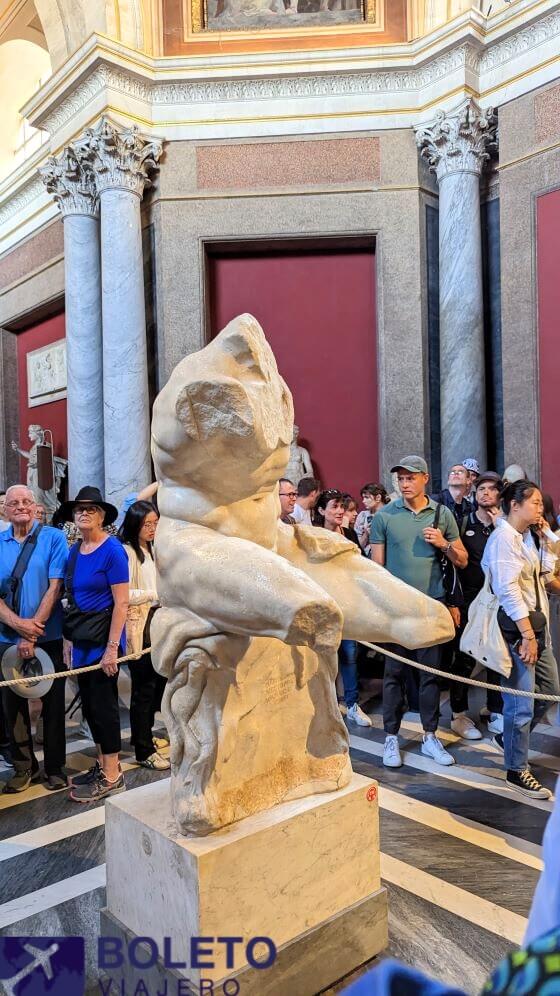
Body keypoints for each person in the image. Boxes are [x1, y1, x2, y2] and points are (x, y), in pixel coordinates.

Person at [370, 456, 468, 768]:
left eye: (410, 478)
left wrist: (443, 544)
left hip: (431, 607)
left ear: (425, 478)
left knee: (430, 677)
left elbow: (462, 560)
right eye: (400, 479)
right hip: (397, 610)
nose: (404, 484)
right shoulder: (385, 515)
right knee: (393, 675)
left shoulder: (442, 514)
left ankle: (429, 735)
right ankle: (390, 737)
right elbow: (376, 568)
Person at [482, 480, 560, 798]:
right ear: (515, 505)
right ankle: (516, 770)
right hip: (520, 632)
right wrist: (528, 635)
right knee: (520, 704)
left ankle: (512, 739)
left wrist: (548, 541)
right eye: (535, 502)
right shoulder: (504, 538)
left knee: (551, 691)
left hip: (538, 630)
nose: (540, 508)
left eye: (541, 503)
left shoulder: (526, 536)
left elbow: (544, 576)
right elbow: (508, 591)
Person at [58, 486, 130, 803]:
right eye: (79, 509)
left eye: (90, 509)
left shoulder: (112, 550)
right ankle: (102, 765)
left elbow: (122, 603)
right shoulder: (75, 551)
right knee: (88, 707)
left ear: (101, 515)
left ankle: (113, 775)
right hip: (81, 639)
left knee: (104, 707)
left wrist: (113, 647)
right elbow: (71, 600)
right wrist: (67, 640)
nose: (84, 513)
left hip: (103, 640)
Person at [0, 485, 68, 792]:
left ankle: (55, 767)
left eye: (26, 501)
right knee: (11, 706)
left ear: (37, 507)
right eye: (13, 503)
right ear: (4, 510)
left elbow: (56, 586)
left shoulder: (53, 537)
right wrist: (18, 627)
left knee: (53, 704)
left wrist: (33, 629)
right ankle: (23, 766)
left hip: (48, 635)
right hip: (6, 639)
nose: (20, 506)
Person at [450, 472, 504, 740]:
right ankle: (458, 714)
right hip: (470, 599)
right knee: (464, 656)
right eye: (481, 488)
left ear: (500, 496)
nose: (485, 493)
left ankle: (494, 710)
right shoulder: (463, 523)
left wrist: (501, 528)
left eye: (491, 489)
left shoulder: (505, 527)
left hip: (498, 600)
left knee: (495, 655)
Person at [118, 501, 169, 771]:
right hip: (140, 625)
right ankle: (143, 749)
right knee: (144, 689)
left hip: (157, 620)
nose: (152, 529)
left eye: (155, 523)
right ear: (135, 523)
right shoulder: (127, 552)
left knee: (157, 684)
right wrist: (154, 595)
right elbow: (123, 593)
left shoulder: (152, 549)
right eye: (147, 524)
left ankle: (144, 735)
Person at [314, 488, 372, 727]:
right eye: (334, 507)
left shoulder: (349, 534)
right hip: (322, 605)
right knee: (324, 660)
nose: (339, 511)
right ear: (321, 511)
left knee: (350, 656)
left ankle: (352, 704)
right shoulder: (313, 535)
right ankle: (327, 705)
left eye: (341, 507)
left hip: (347, 604)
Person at [355, 483, 389, 556]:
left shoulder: (390, 515)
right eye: (363, 498)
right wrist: (366, 534)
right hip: (367, 559)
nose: (363, 501)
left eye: (367, 497)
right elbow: (357, 547)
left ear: (378, 497)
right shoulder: (362, 516)